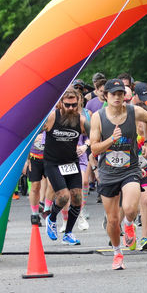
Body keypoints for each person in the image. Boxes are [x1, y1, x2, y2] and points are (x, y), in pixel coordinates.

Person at [90, 79, 147, 270]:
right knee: (112, 220)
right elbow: (94, 149)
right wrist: (111, 139)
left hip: (130, 169)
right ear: (106, 96)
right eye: (113, 94)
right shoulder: (98, 117)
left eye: (120, 94)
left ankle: (129, 223)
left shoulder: (134, 112)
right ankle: (117, 253)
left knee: (131, 208)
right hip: (108, 172)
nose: (117, 97)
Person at [42, 88, 89, 245]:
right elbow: (33, 131)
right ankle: (52, 217)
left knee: (77, 197)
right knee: (63, 196)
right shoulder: (51, 117)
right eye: (67, 105)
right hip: (53, 163)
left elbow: (94, 135)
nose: (70, 108)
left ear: (78, 103)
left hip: (71, 163)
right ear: (60, 103)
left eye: (74, 105)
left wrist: (86, 145)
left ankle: (68, 233)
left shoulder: (81, 120)